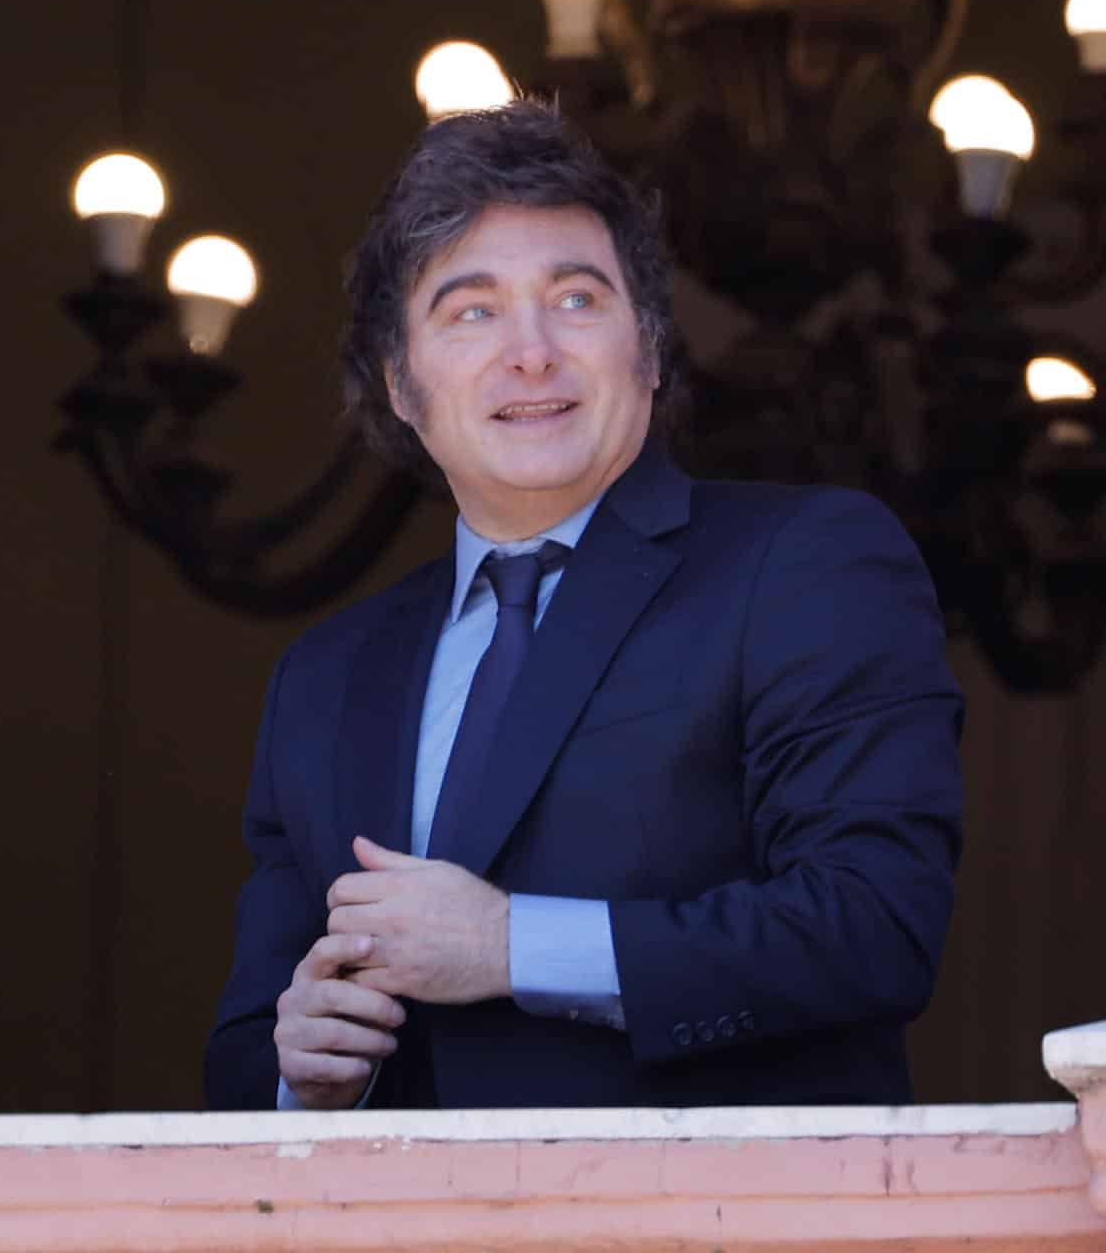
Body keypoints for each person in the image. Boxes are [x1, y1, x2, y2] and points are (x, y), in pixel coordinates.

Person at [204, 101, 962, 1111]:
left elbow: (874, 928)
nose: (530, 353)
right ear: (400, 381)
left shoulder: (805, 561)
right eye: (470, 310)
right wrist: (302, 1064)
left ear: (648, 348)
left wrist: (509, 944)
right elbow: (244, 1059)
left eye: (575, 298)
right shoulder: (325, 673)